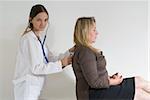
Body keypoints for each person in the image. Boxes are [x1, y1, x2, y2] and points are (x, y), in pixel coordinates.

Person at [72, 17, 150, 100]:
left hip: (99, 89)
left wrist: (109, 78)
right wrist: (114, 82)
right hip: (93, 94)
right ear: (85, 32)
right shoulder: (85, 52)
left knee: (138, 80)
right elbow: (94, 83)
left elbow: (94, 75)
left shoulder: (85, 50)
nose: (97, 33)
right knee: (138, 93)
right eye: (94, 30)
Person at [13, 4, 74, 100]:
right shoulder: (28, 39)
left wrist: (69, 52)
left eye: (45, 20)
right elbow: (36, 68)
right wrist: (61, 63)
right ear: (31, 19)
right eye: (39, 20)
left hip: (34, 87)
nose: (43, 24)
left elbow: (50, 58)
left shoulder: (39, 39)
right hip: (27, 88)